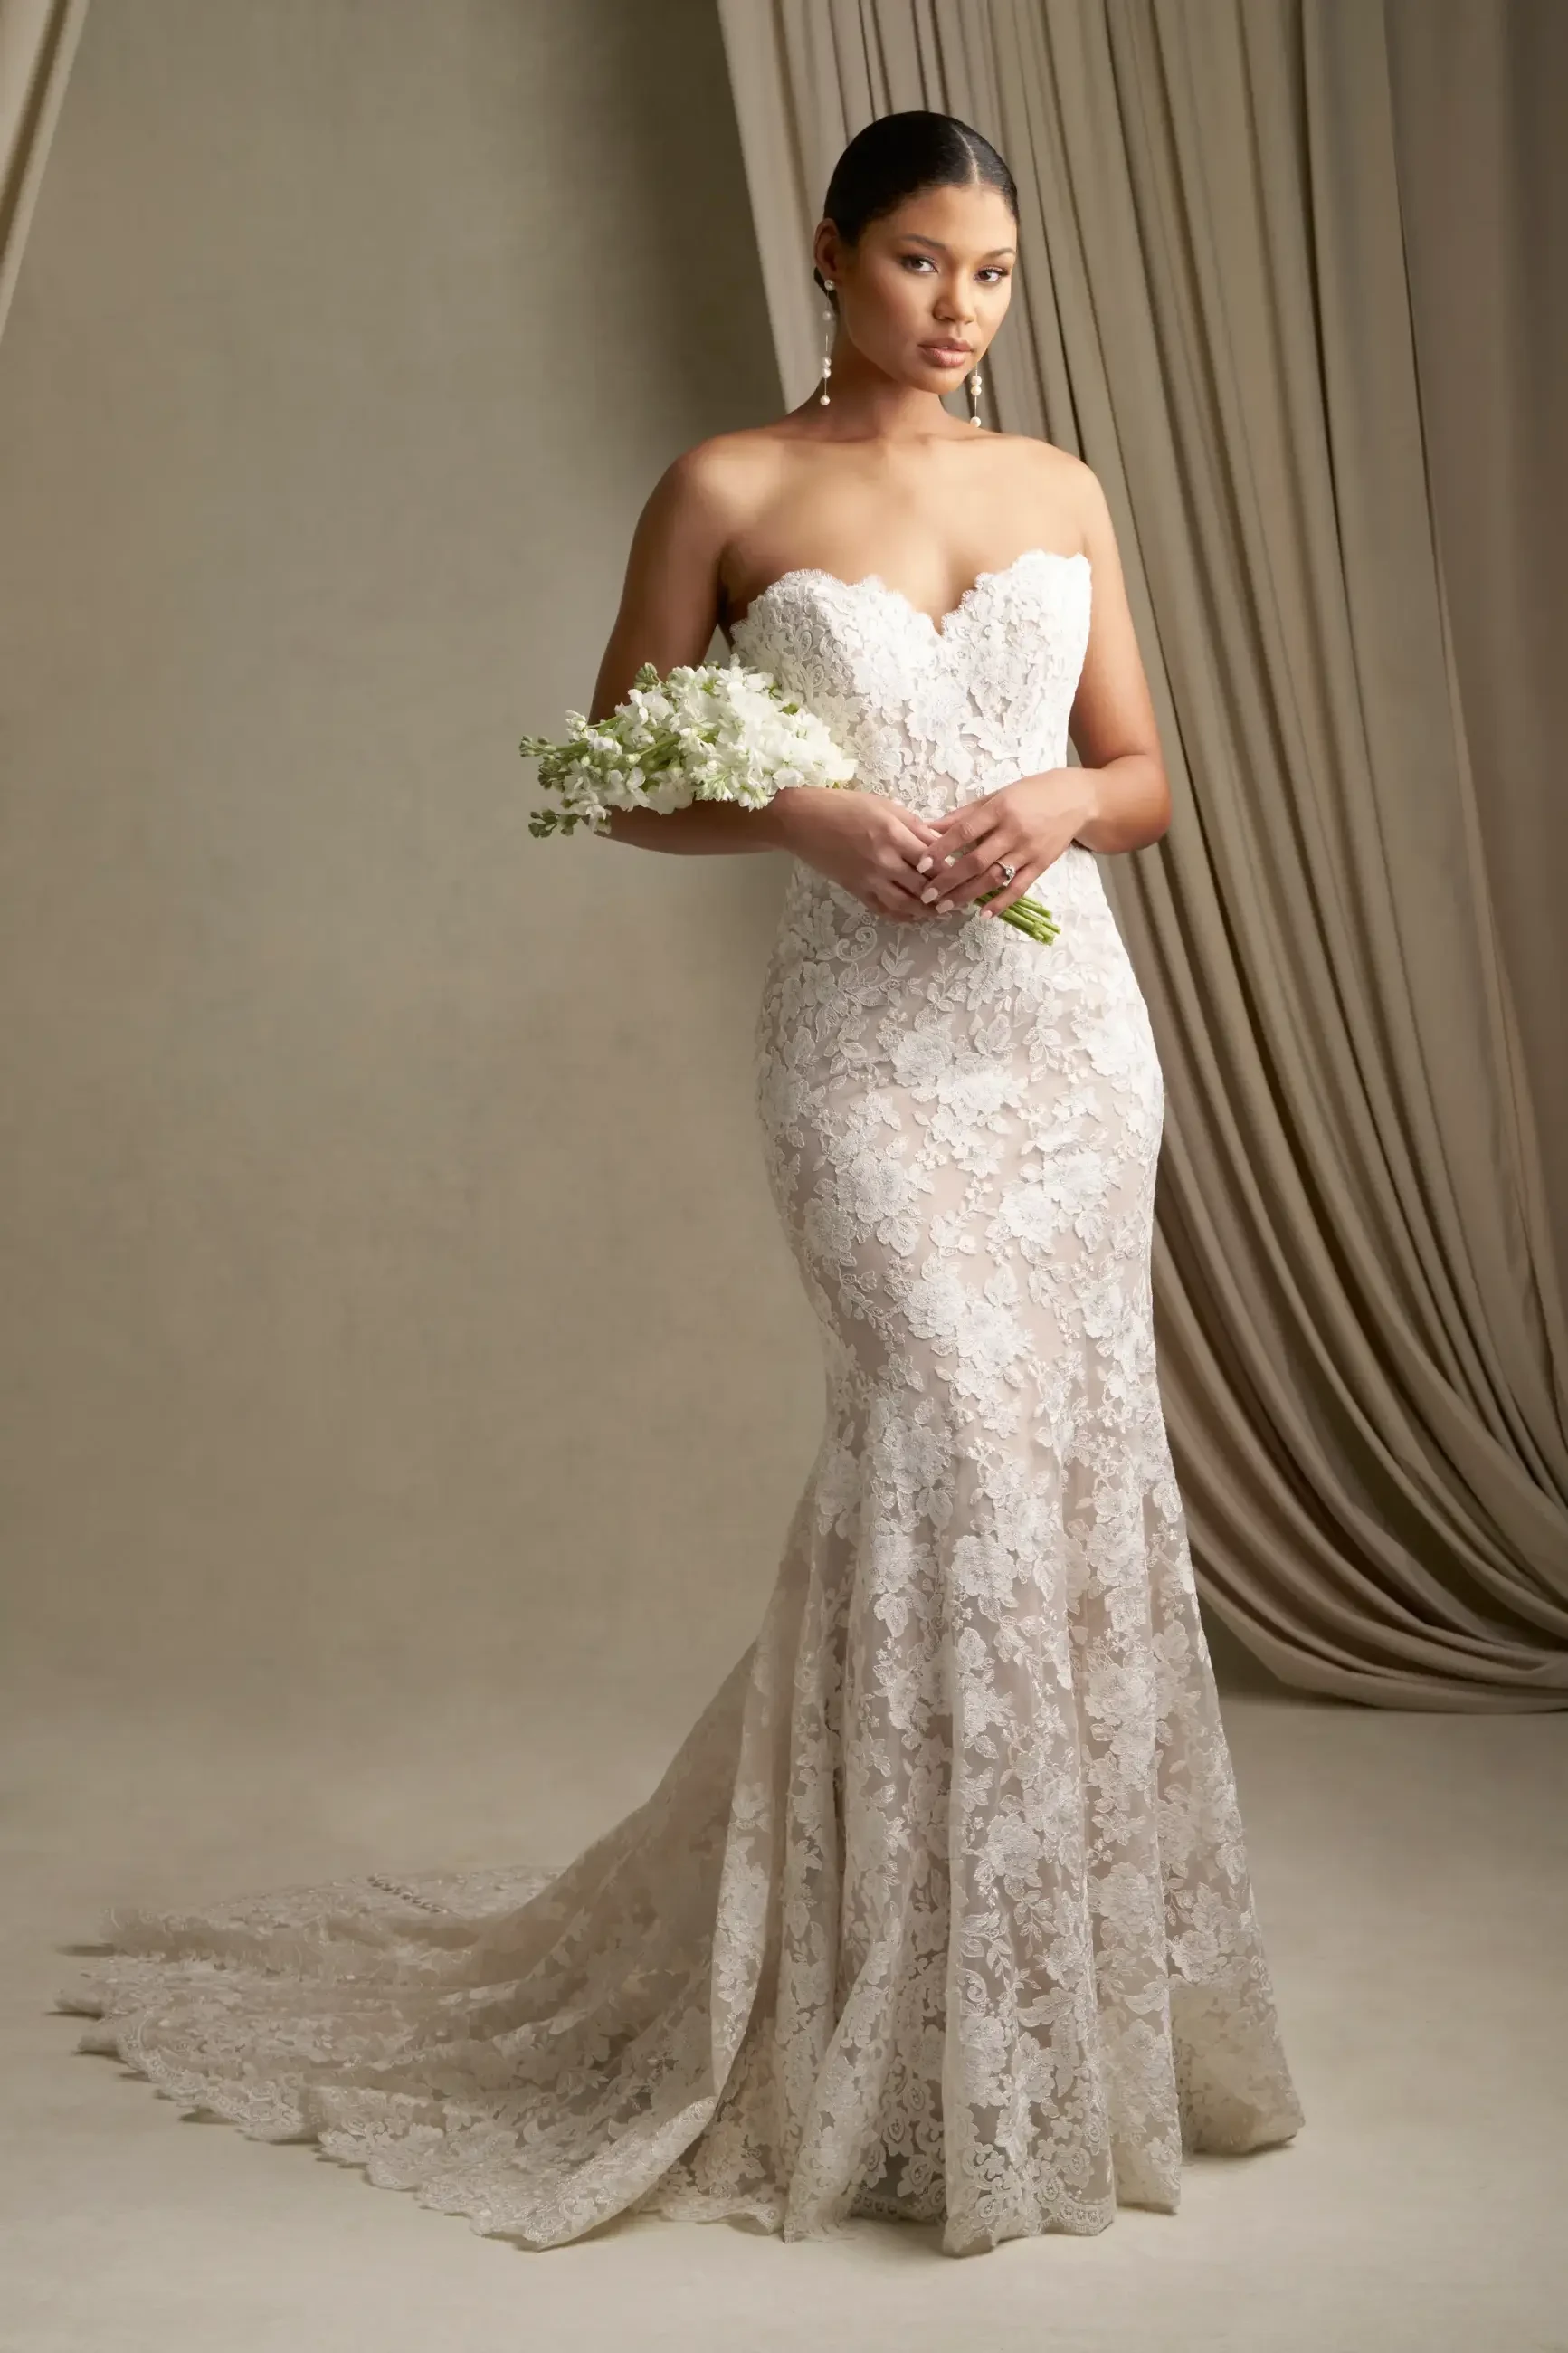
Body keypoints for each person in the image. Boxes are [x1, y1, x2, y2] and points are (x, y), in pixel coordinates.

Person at [57, 110, 1304, 2260]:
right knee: (941, 1454)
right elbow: (622, 773)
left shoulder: (1057, 487)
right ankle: (874, 2021)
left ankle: (1035, 2025)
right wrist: (807, 818)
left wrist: (1049, 805)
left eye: (992, 273)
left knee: (1060, 1479)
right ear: (828, 251)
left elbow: (1144, 775)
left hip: (1062, 1046)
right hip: (865, 1053)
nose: (958, 308)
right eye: (918, 262)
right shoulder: (723, 489)